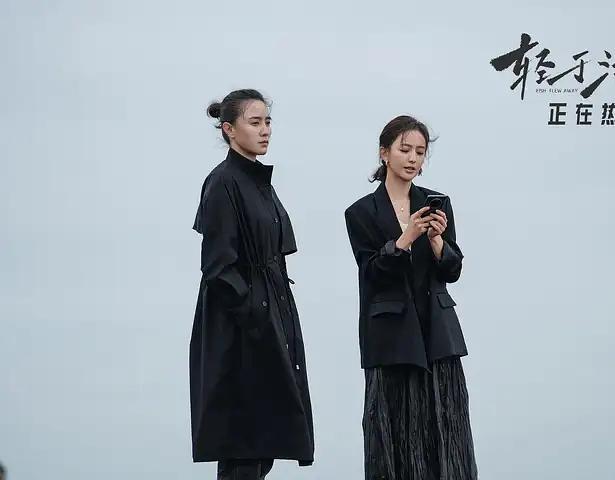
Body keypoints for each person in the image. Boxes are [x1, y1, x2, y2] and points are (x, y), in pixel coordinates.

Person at [344, 115, 478, 480]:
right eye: (405, 149)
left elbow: (452, 269)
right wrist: (405, 239)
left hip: (438, 334)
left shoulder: (438, 203)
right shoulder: (360, 212)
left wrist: (436, 241)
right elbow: (371, 274)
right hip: (392, 339)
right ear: (384, 153)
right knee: (395, 439)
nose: (413, 158)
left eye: (420, 152)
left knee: (447, 434)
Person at [190, 89, 314, 480]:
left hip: (269, 318)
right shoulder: (222, 182)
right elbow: (217, 267)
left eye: (268, 121)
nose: (265, 130)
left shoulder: (260, 182)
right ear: (229, 129)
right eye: (255, 122)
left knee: (266, 441)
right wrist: (256, 314)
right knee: (244, 443)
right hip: (241, 331)